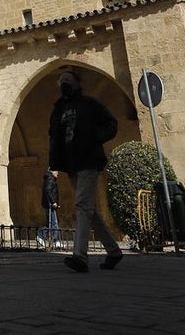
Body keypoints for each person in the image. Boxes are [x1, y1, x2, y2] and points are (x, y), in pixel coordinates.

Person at [48, 68, 122, 272]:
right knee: (90, 210)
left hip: (89, 160)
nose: (64, 82)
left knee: (81, 205)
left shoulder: (89, 104)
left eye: (68, 79)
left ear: (77, 84)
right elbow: (54, 137)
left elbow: (111, 124)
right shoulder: (58, 110)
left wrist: (94, 139)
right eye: (61, 80)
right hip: (72, 165)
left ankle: (79, 256)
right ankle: (114, 252)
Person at [37, 169, 60, 249]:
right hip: (50, 205)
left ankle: (41, 236)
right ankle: (55, 241)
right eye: (57, 171)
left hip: (49, 204)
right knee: (54, 223)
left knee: (50, 223)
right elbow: (48, 190)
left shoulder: (49, 178)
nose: (58, 173)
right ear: (52, 171)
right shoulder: (50, 178)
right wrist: (53, 202)